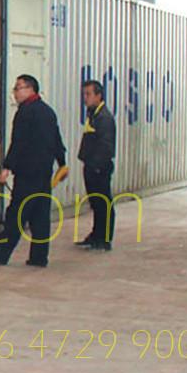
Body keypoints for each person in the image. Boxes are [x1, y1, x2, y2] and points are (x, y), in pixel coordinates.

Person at [0, 74, 67, 268]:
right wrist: (62, 163)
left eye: (18, 88)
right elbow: (56, 141)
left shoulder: (25, 112)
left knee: (15, 215)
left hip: (27, 174)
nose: (15, 93)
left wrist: (7, 167)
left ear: (31, 89)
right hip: (44, 173)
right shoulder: (48, 112)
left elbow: (19, 143)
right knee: (40, 217)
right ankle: (39, 258)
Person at [75, 80, 117, 250]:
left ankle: (104, 239)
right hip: (91, 165)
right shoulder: (93, 114)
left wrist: (97, 165)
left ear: (98, 96)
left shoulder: (104, 118)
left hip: (99, 167)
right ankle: (96, 235)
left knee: (103, 202)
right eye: (84, 94)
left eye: (88, 94)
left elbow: (106, 145)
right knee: (96, 202)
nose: (85, 98)